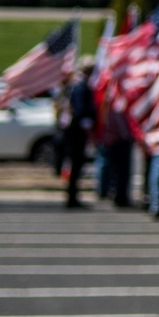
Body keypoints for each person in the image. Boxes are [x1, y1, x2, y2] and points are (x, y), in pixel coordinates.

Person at [55, 65, 96, 209]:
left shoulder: (72, 86)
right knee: (76, 164)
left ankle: (72, 195)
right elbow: (80, 109)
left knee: (74, 164)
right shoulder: (80, 86)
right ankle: (72, 197)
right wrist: (88, 120)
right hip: (76, 131)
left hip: (70, 129)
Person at [95, 100, 132, 208]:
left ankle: (111, 192)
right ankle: (115, 194)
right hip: (117, 138)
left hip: (112, 138)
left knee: (113, 167)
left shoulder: (109, 100)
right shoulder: (114, 103)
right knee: (119, 169)